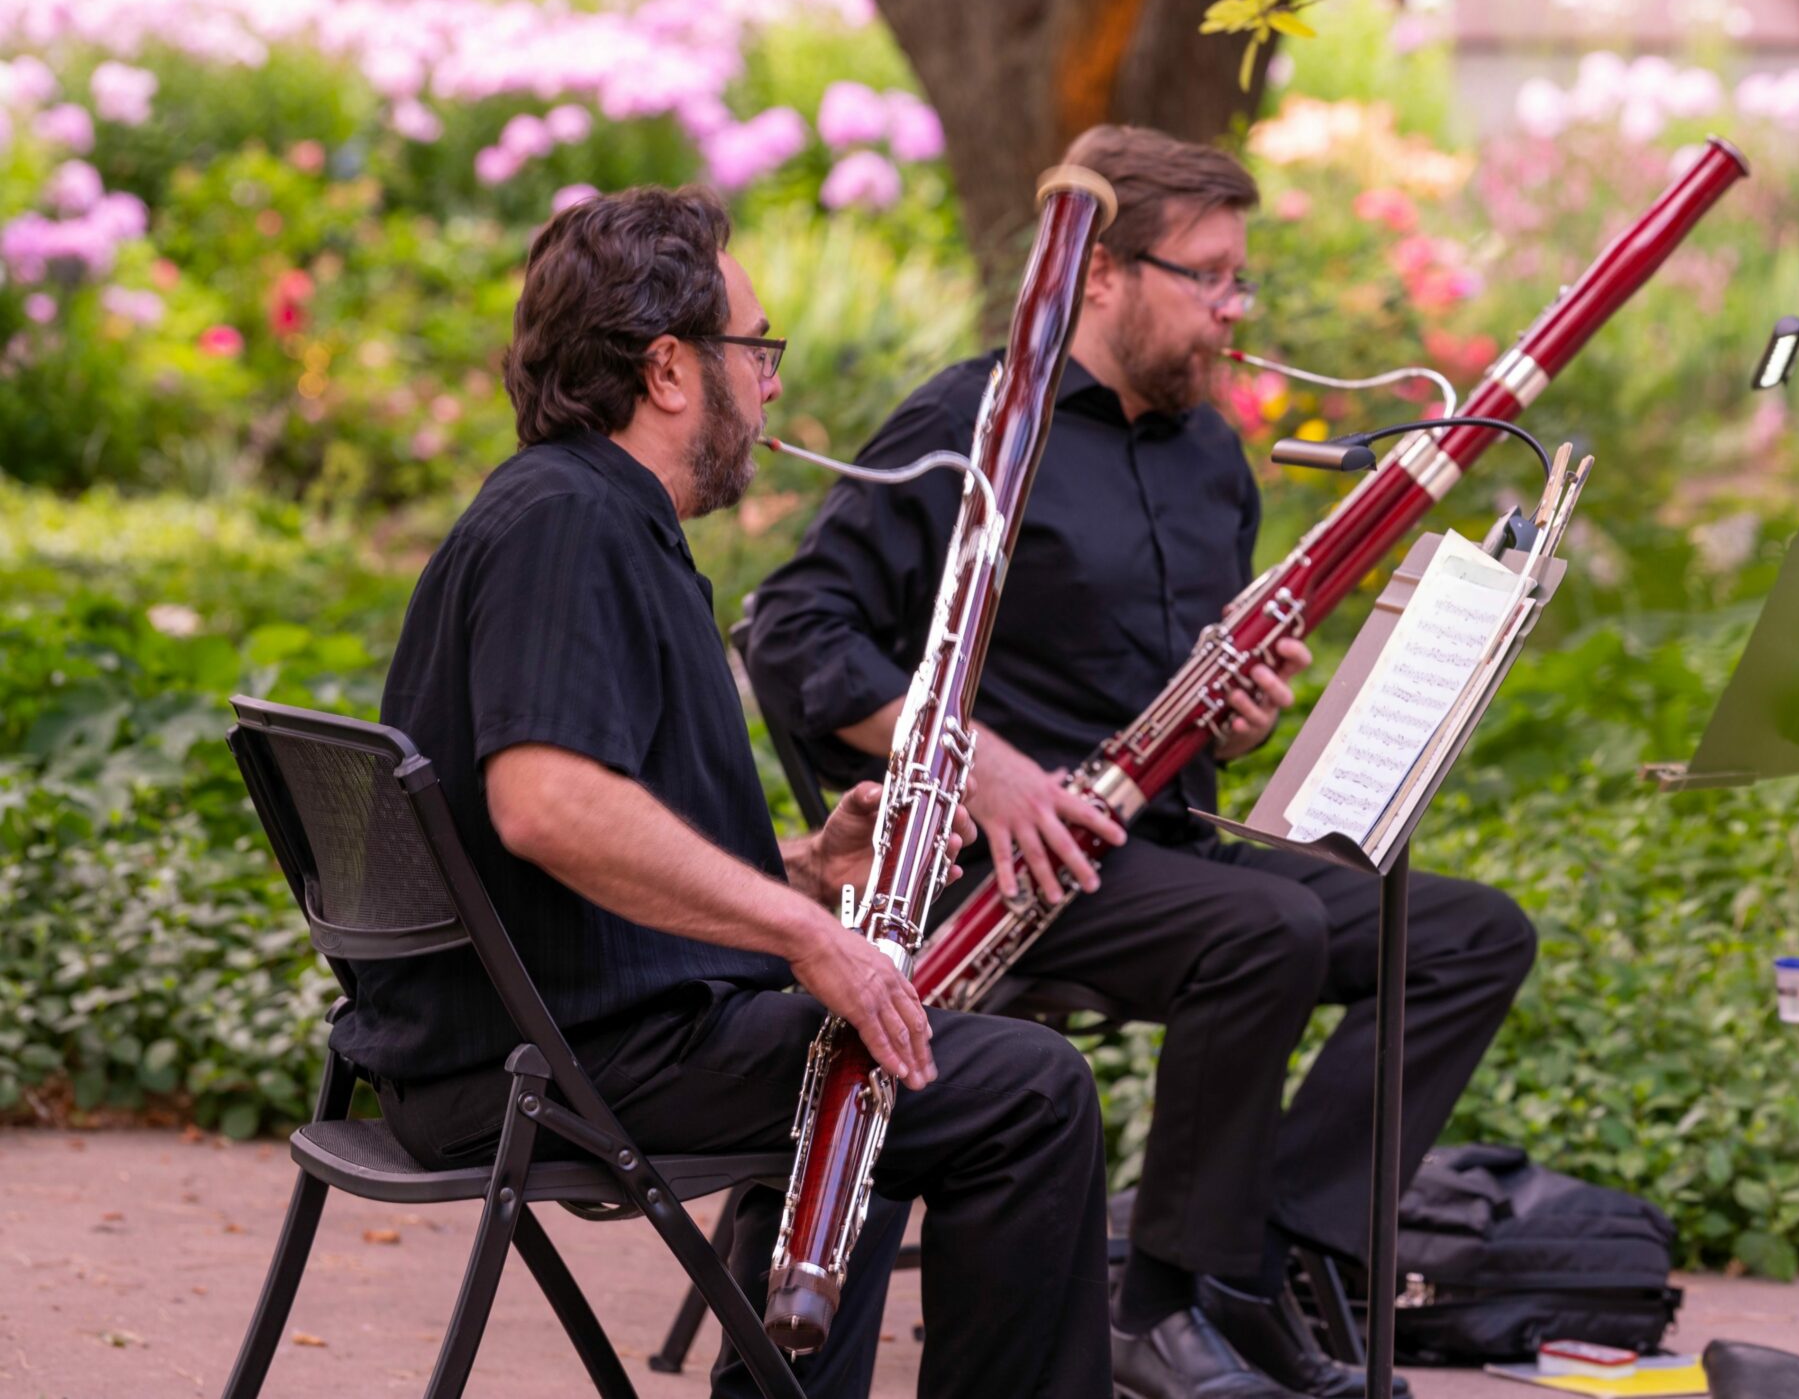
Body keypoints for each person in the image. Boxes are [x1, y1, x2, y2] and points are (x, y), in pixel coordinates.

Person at [746, 127, 1539, 1399]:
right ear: (1102, 272)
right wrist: (982, 768)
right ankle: (1165, 1299)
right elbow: (795, 628)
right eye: (1209, 277)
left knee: (1464, 935)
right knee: (1265, 927)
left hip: (1154, 852)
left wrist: (1241, 723)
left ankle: (1272, 1258)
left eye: (1240, 281)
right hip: (1000, 871)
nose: (1235, 311)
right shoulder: (975, 421)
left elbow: (1194, 689)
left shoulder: (1211, 454)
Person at [339, 185, 1110, 1399]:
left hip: (537, 1031)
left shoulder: (584, 513)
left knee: (902, 1061)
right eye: (756, 349)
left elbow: (578, 834)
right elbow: (543, 802)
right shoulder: (567, 524)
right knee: (1025, 1090)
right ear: (666, 369)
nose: (773, 384)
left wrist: (804, 869)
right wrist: (806, 933)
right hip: (543, 1064)